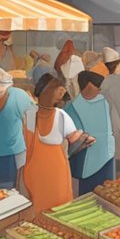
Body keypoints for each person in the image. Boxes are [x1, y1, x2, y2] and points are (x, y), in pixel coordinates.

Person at [21, 74, 92, 214]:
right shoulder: (58, 115)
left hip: (38, 170)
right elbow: (74, 138)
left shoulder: (31, 114)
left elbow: (26, 142)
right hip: (50, 171)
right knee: (55, 208)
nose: (61, 94)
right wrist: (83, 137)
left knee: (42, 207)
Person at [65, 71, 114, 194]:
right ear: (88, 85)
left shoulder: (104, 102)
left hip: (107, 153)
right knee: (87, 192)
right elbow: (70, 136)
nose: (99, 89)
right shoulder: (72, 107)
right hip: (86, 154)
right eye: (97, 85)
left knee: (107, 191)